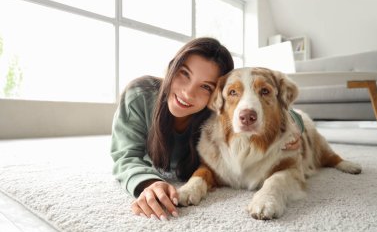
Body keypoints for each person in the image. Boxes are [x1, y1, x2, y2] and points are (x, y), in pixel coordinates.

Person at [110, 37, 301, 221]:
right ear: (171, 67)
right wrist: (148, 183)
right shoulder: (139, 95)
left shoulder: (217, 111)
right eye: (184, 73)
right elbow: (126, 156)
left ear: (217, 95)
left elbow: (280, 109)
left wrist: (294, 128)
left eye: (205, 87)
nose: (188, 93)